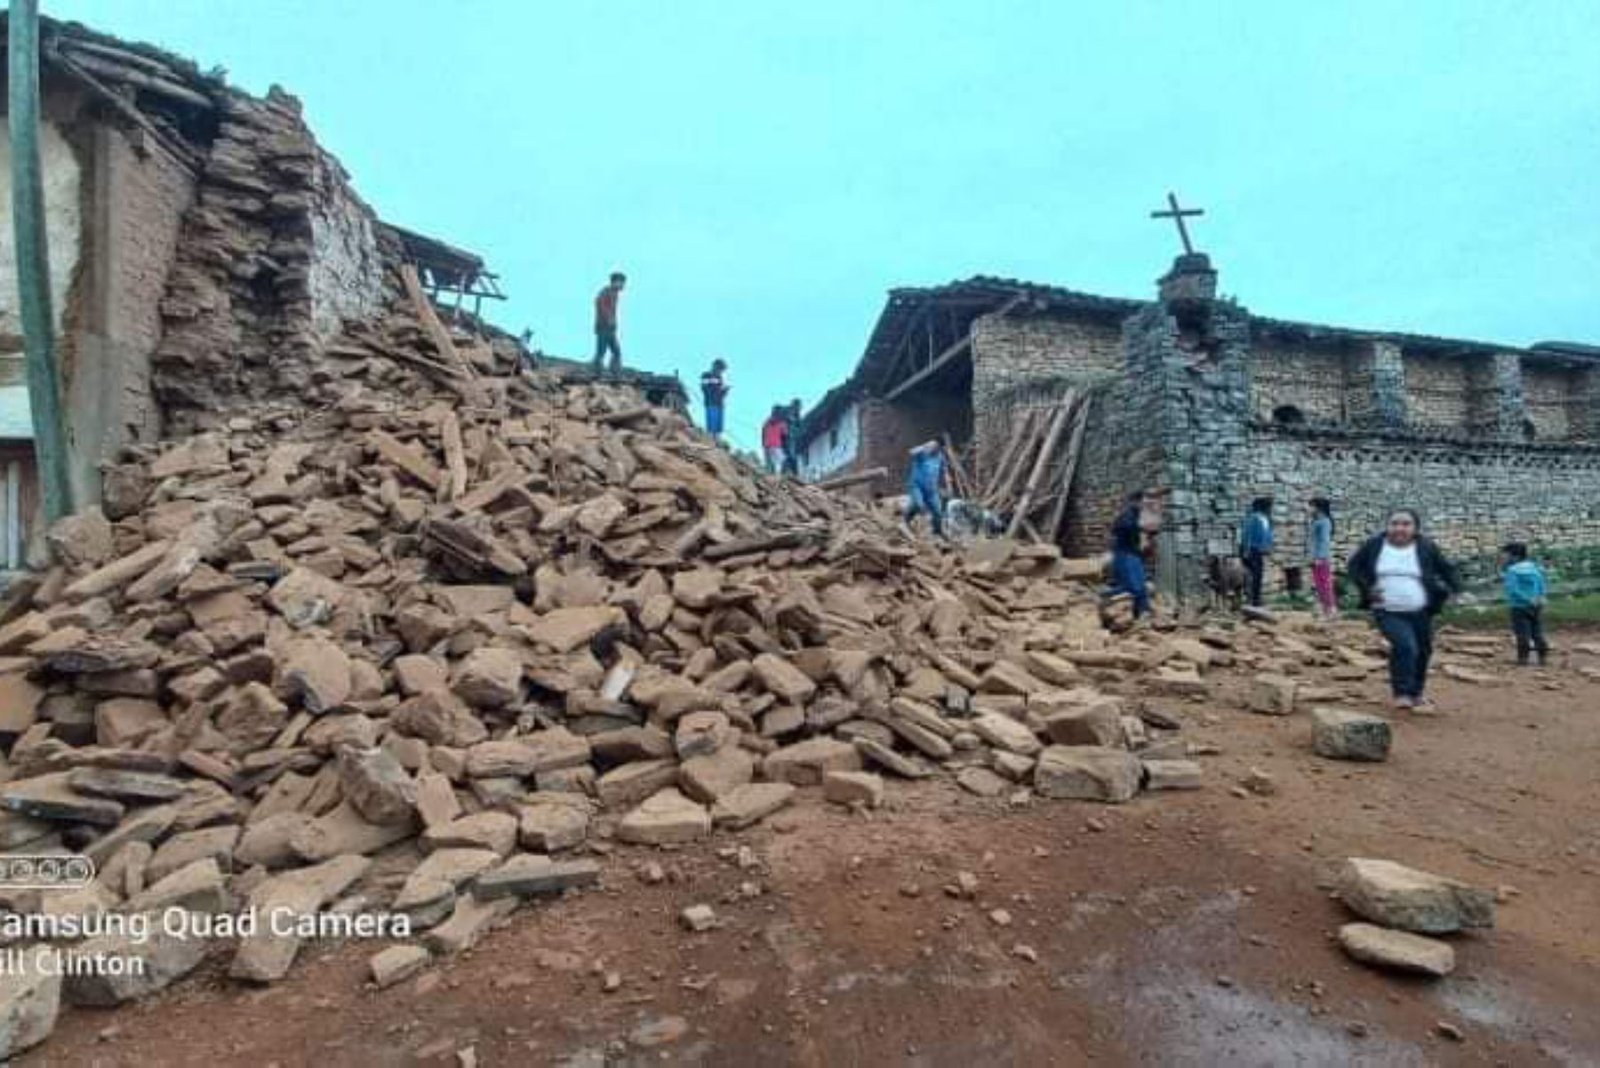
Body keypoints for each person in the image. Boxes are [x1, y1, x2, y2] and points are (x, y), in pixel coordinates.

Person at [1346, 509, 1461, 710]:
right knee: (1405, 646)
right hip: (1387, 609)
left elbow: (1446, 568)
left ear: (1415, 528)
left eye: (1406, 524)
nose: (1399, 528)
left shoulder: (1426, 547)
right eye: (1395, 523)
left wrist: (1456, 590)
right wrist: (1367, 588)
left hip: (1421, 610)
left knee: (1423, 651)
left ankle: (1416, 693)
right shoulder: (1374, 546)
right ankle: (1402, 693)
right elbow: (1354, 567)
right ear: (1387, 525)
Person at [1501, 542, 1550, 666]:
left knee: (1522, 633)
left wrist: (1527, 599)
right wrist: (1541, 597)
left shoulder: (1512, 571)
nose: (1503, 558)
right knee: (1537, 631)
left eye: (1506, 555)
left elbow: (1513, 590)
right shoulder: (1534, 568)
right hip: (1536, 605)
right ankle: (1543, 657)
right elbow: (1541, 584)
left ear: (1515, 557)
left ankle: (1523, 659)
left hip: (1519, 607)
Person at [1109, 490, 1151, 618]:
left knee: (1140, 586)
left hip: (1132, 554)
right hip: (1126, 555)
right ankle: (1104, 598)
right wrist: (1140, 537)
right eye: (1142, 502)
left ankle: (1143, 613)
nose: (1144, 505)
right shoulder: (1127, 516)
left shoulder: (1134, 515)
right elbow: (1118, 529)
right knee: (1133, 587)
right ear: (1135, 501)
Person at [902, 440, 947, 538]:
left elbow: (942, 470)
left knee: (938, 512)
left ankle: (937, 532)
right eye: (934, 447)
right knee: (918, 505)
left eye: (937, 448)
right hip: (917, 486)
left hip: (931, 490)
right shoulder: (922, 453)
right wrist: (923, 446)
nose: (935, 449)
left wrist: (944, 482)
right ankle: (905, 521)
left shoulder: (940, 456)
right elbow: (911, 452)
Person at [1240, 497, 1275, 607]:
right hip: (1253, 550)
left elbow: (1266, 534)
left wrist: (1268, 547)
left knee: (1257, 575)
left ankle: (1255, 598)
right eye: (1269, 507)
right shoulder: (1254, 518)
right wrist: (1246, 550)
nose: (1270, 509)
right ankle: (1253, 600)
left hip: (1259, 551)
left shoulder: (1265, 519)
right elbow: (1247, 535)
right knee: (1254, 576)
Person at [1306, 497, 1337, 618]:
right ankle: (1325, 609)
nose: (1308, 508)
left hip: (1321, 559)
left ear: (1318, 508)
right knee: (1319, 584)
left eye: (1310, 506)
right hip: (1315, 558)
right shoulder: (1315, 521)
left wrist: (1319, 557)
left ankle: (1331, 608)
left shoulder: (1325, 522)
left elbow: (1324, 541)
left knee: (1325, 584)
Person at [593, 271, 626, 373]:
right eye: (621, 282)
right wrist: (608, 318)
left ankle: (613, 369)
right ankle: (598, 368)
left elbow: (612, 310)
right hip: (604, 326)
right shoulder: (606, 291)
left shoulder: (614, 294)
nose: (622, 285)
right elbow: (599, 303)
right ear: (615, 282)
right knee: (603, 351)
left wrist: (614, 322)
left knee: (615, 351)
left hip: (609, 327)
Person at [700, 359, 729, 442]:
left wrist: (724, 391)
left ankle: (717, 442)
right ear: (715, 366)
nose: (721, 371)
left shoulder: (720, 378)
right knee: (711, 427)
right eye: (720, 369)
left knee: (718, 428)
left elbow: (720, 392)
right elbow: (704, 388)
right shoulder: (706, 375)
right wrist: (716, 383)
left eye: (722, 370)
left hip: (719, 404)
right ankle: (710, 442)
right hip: (711, 403)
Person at [761, 406, 789, 474]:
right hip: (776, 445)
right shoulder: (782, 423)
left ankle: (771, 477)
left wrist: (763, 444)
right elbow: (785, 435)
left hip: (767, 446)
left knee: (770, 465)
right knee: (783, 461)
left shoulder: (766, 422)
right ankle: (781, 477)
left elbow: (763, 433)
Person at [782, 399, 802, 476]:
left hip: (792, 438)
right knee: (789, 456)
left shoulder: (797, 415)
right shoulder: (786, 412)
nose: (799, 409)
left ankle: (794, 474)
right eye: (798, 407)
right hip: (786, 438)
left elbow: (799, 426)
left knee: (792, 456)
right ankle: (789, 474)